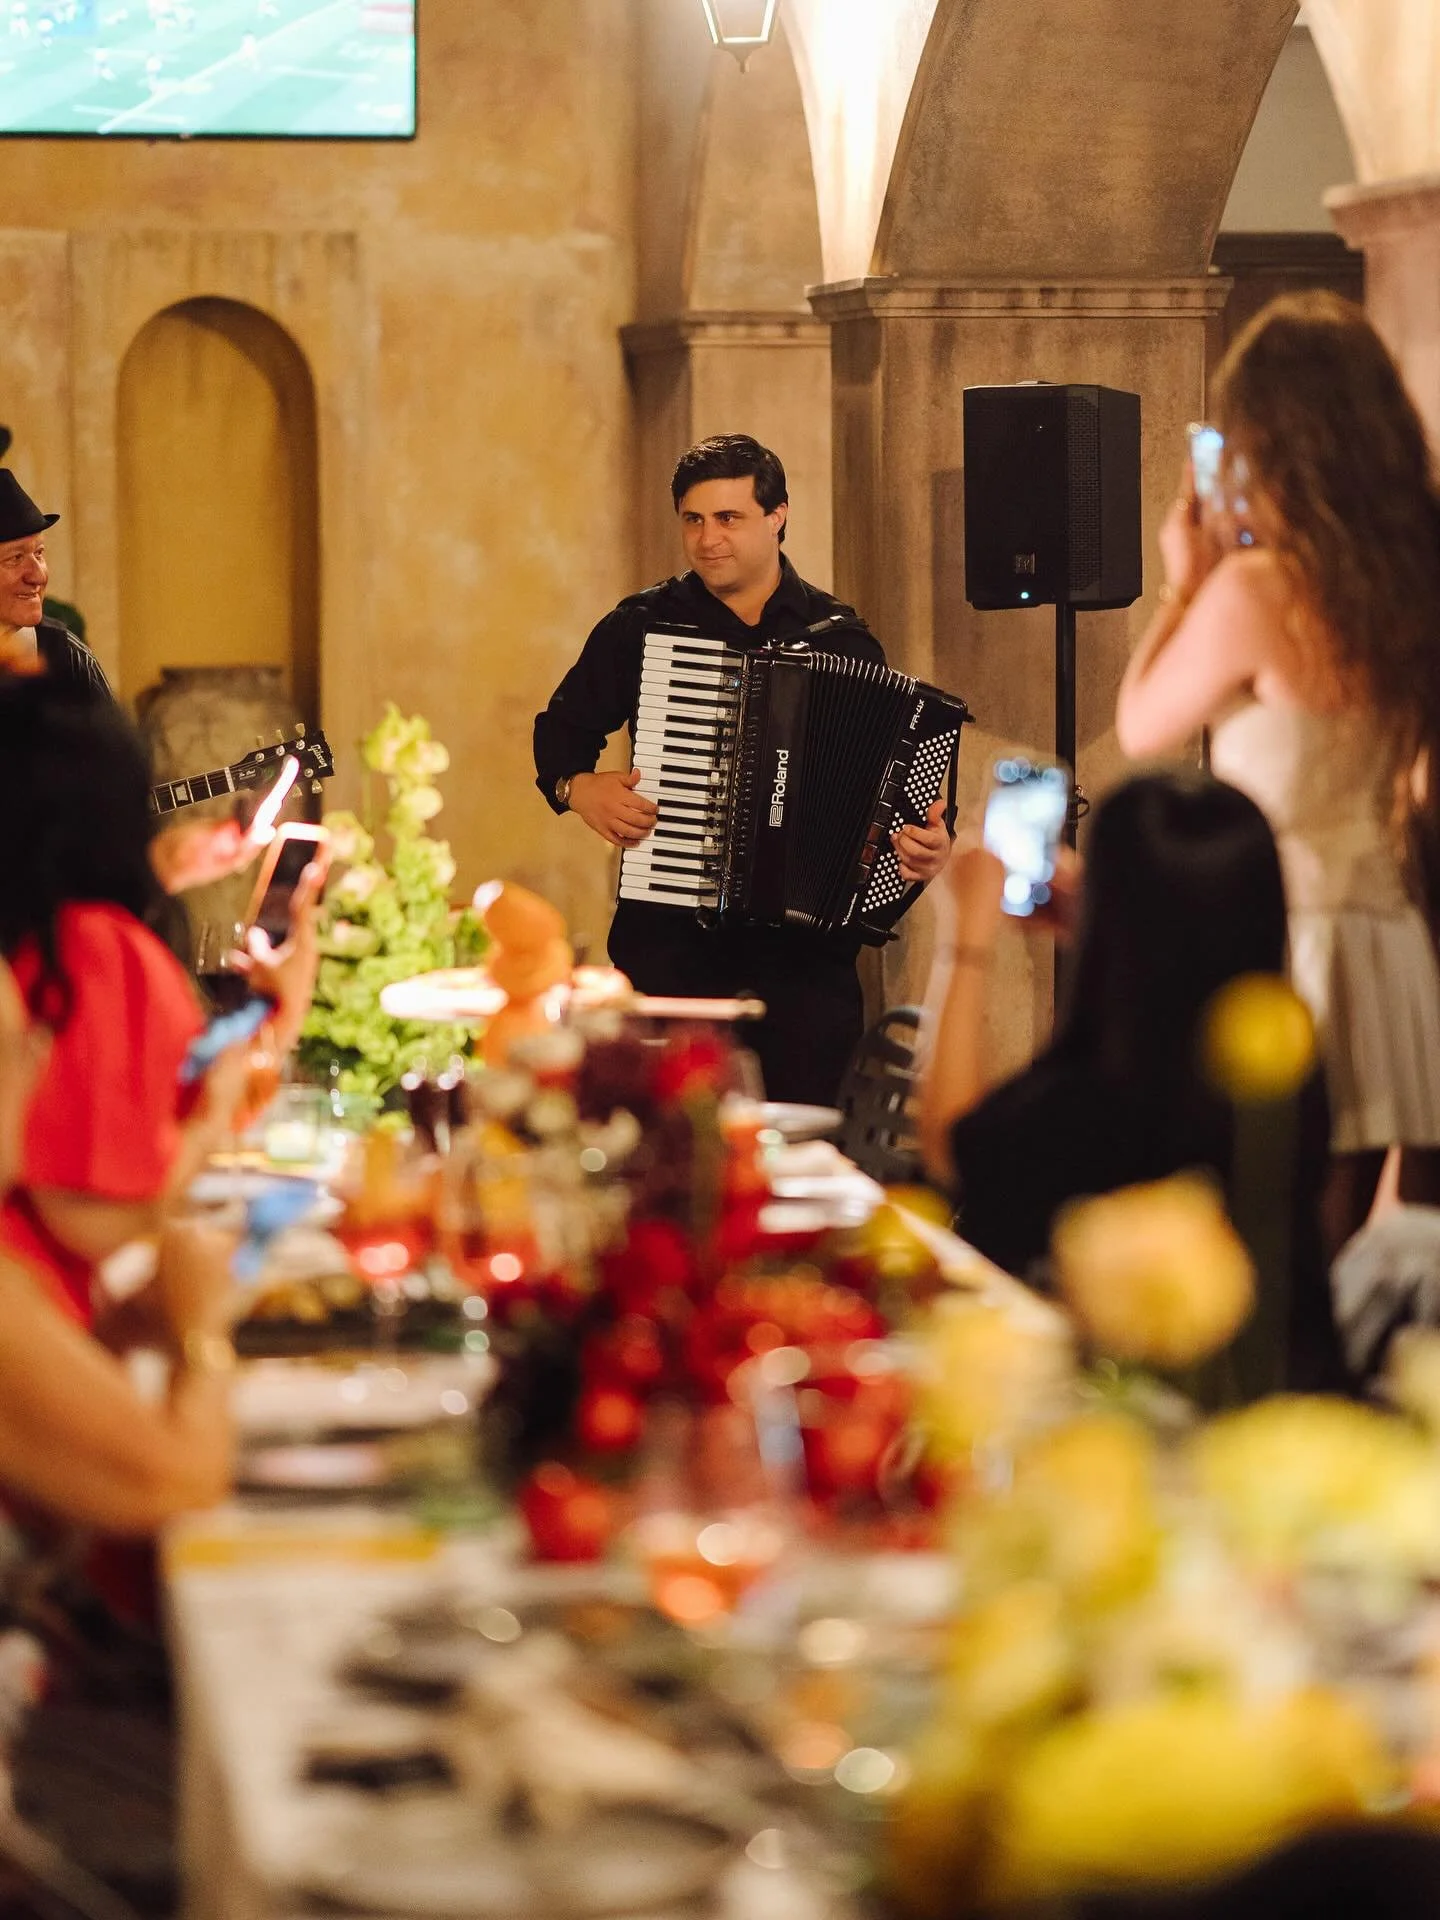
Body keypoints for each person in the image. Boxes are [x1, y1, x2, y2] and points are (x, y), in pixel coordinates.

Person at [1114, 291, 1440, 1254]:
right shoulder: (1417, 576)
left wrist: (1186, 579)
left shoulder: (1261, 589)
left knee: (1280, 1248)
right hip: (1391, 930)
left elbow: (1141, 724)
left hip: (1285, 934)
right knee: (1386, 1253)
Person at [533, 434, 952, 1105]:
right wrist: (578, 787)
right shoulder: (643, 628)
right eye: (693, 520)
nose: (707, 540)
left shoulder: (839, 638)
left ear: (778, 516)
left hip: (806, 977)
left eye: (728, 519)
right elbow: (560, 734)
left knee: (797, 1169)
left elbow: (895, 802)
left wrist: (926, 847)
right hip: (672, 952)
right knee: (666, 1157)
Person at [918, 771, 1345, 1394]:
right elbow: (1180, 972)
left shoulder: (1092, 1100)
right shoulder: (1287, 1077)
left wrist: (966, 937)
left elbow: (949, 1145)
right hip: (1294, 1400)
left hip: (1138, 1428)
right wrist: (1102, 932)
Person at [0, 675, 318, 1330]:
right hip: (43, 1322)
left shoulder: (33, 930)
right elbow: (99, 1217)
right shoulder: (91, 952)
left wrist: (162, 867)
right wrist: (226, 1095)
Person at [0, 467, 267, 899]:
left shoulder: (68, 658)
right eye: (15, 558)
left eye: (40, 554)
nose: (37, 574)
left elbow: (110, 802)